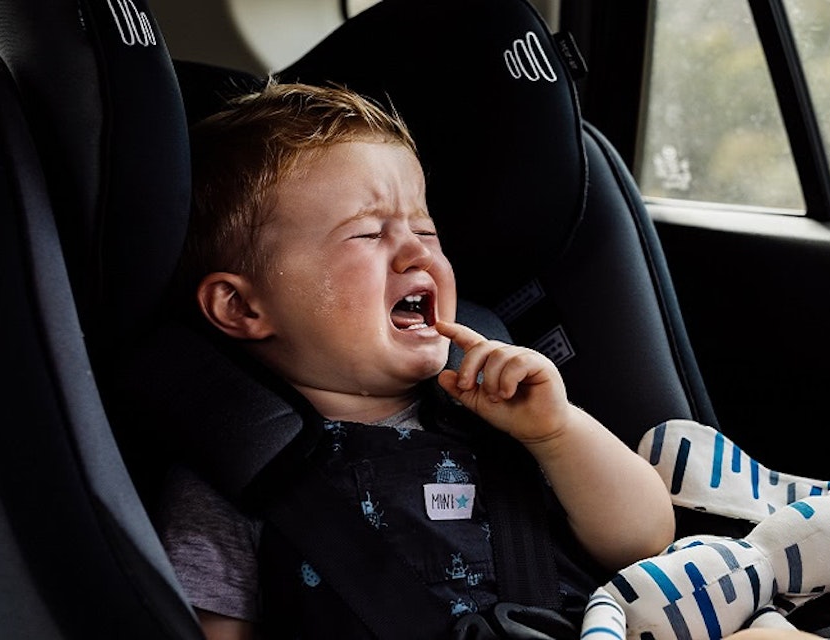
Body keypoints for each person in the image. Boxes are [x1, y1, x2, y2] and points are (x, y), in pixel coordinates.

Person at [156, 79, 676, 640]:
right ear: (241, 306)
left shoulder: (501, 413)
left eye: (426, 229)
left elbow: (646, 540)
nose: (417, 252)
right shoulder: (241, 476)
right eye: (367, 233)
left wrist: (555, 433)